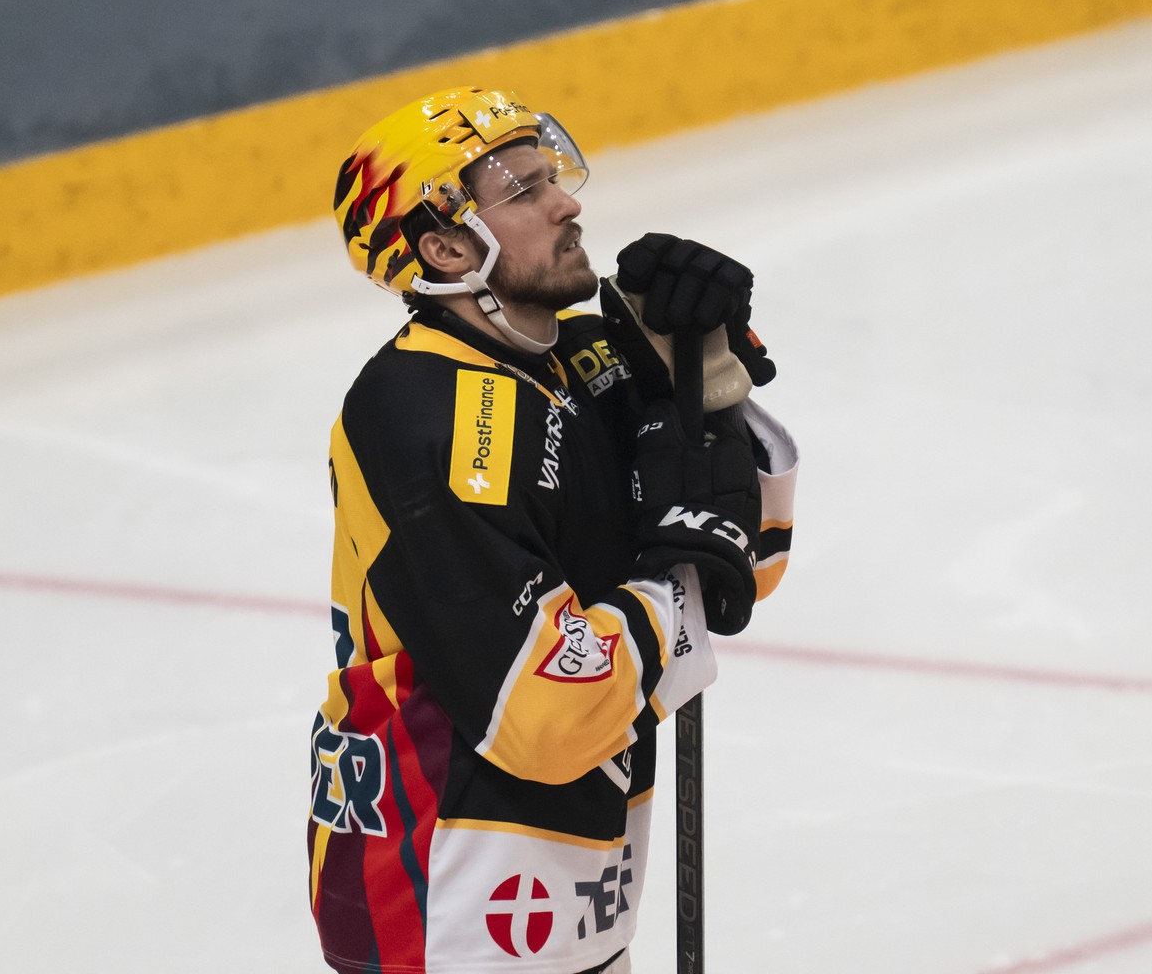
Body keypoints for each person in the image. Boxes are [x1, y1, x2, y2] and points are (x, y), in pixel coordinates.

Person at [308, 86, 798, 974]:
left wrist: (709, 377)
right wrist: (670, 584)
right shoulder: (427, 416)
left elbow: (744, 568)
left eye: (551, 178)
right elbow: (546, 715)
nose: (567, 203)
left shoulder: (583, 359)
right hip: (449, 896)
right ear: (448, 247)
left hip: (562, 886)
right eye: (523, 192)